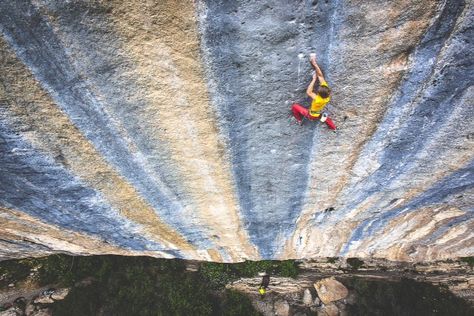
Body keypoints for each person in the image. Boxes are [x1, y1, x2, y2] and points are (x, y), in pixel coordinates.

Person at [291, 54, 337, 131]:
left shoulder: (317, 99)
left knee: (294, 106)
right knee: (327, 119)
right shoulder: (327, 94)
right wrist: (314, 63)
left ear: (319, 94)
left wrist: (313, 80)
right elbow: (320, 76)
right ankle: (334, 128)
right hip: (319, 112)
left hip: (311, 115)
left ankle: (299, 120)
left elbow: (308, 92)